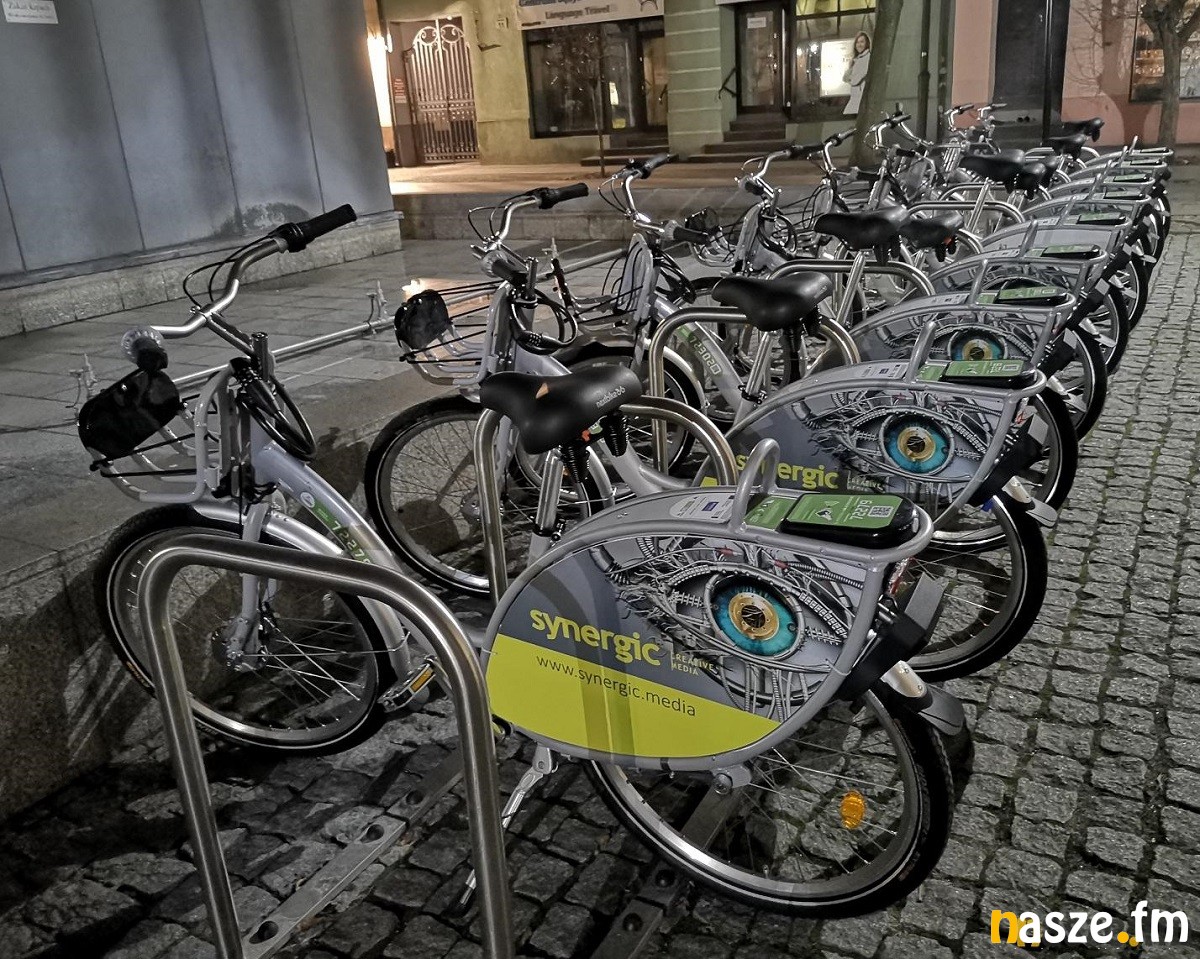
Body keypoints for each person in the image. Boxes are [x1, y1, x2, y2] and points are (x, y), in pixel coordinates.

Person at [843, 32, 871, 116]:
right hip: (855, 96)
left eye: (862, 42)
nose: (859, 45)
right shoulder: (858, 59)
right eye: (857, 42)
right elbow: (845, 78)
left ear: (866, 43)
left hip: (860, 97)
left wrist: (850, 77)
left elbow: (855, 80)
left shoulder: (867, 58)